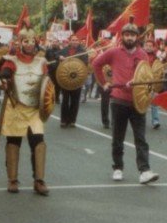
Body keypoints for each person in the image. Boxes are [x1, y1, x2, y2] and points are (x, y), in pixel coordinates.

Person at [92, 23, 159, 184]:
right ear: (122, 36)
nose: (129, 37)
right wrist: (104, 83)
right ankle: (118, 168)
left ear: (137, 37)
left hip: (138, 101)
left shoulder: (143, 54)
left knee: (141, 138)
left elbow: (146, 75)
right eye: (127, 34)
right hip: (118, 100)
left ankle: (144, 171)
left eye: (132, 35)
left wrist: (138, 82)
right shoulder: (114, 52)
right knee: (117, 137)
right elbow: (96, 63)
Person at [0, 29, 50, 196]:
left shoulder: (42, 61)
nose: (29, 44)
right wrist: (5, 81)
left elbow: (47, 84)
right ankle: (12, 179)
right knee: (13, 142)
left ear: (36, 42)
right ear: (20, 43)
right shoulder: (10, 60)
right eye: (25, 41)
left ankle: (39, 180)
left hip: (35, 109)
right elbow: (5, 72)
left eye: (31, 41)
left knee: (38, 142)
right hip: (16, 107)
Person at [57, 35, 87, 127]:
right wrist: (60, 57)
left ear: (78, 41)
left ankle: (72, 120)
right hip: (65, 79)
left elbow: (85, 63)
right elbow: (55, 54)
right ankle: (64, 120)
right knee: (65, 100)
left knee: (75, 101)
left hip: (77, 79)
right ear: (70, 41)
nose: (75, 41)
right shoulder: (64, 50)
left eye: (76, 40)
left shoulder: (83, 52)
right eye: (73, 40)